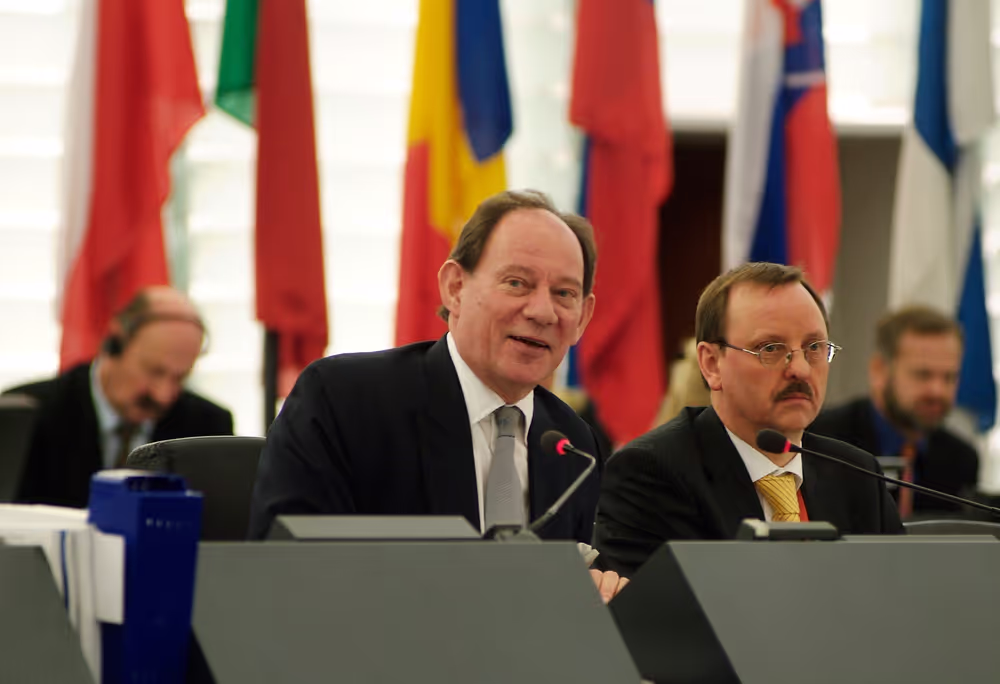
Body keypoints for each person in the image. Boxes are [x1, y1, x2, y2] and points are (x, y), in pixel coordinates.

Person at [249, 189, 626, 600]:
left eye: (564, 294)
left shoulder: (572, 444)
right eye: (517, 283)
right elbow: (286, 571)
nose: (542, 311)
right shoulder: (345, 401)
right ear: (455, 288)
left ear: (583, 318)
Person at [594, 263, 903, 577]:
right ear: (712, 364)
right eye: (770, 348)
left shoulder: (857, 474)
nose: (800, 369)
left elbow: (899, 601)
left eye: (814, 348)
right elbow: (658, 617)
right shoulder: (653, 474)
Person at [6, 287, 234, 507]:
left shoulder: (208, 428)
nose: (163, 396)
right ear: (114, 344)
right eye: (154, 372)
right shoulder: (28, 417)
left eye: (180, 378)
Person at [810, 306, 978, 518]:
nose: (937, 391)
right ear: (879, 370)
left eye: (949, 377)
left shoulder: (961, 459)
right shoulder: (820, 442)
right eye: (923, 375)